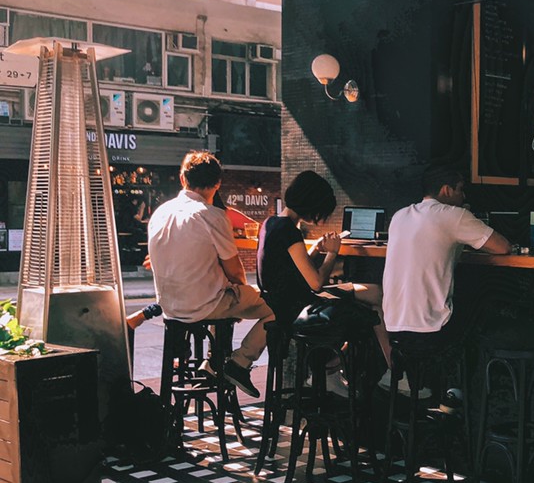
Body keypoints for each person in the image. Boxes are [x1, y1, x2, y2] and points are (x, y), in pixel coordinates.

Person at [147, 151, 274, 399]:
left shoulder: (160, 213)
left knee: (224, 295)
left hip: (170, 309)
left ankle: (213, 362)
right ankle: (239, 362)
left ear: (182, 179)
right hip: (204, 306)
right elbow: (235, 271)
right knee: (280, 305)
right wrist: (243, 296)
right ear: (218, 184)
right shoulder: (212, 215)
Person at [257, 171, 391, 389]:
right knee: (376, 296)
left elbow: (293, 268)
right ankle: (388, 370)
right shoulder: (289, 231)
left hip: (286, 304)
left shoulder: (271, 223)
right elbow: (316, 283)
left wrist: (316, 249)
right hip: (300, 305)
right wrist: (332, 253)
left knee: (372, 301)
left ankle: (332, 369)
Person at [382, 165, 512, 362]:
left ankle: (416, 376)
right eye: (460, 189)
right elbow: (502, 247)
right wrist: (465, 217)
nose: (464, 196)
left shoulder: (400, 216)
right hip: (433, 326)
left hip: (393, 324)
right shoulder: (454, 215)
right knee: (485, 308)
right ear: (446, 190)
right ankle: (476, 376)